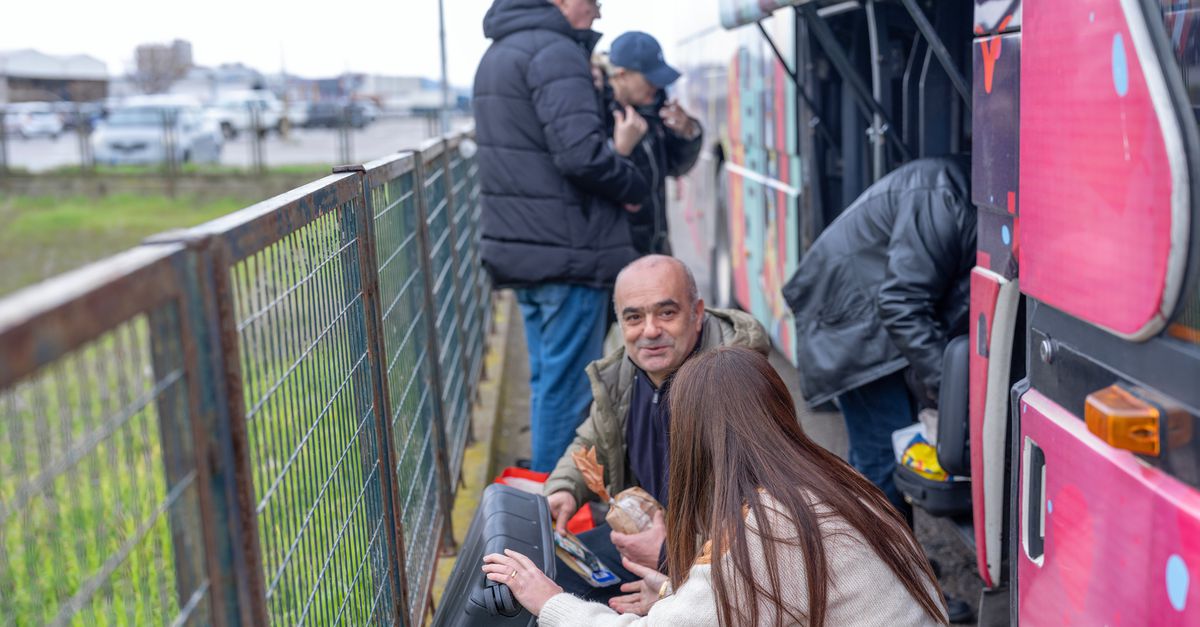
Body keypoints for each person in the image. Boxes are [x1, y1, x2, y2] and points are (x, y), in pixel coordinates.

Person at [483, 347, 949, 626]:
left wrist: (549, 601)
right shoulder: (830, 479)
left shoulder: (773, 525)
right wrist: (672, 595)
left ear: (694, 440)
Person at [474, 0, 650, 472]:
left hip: (528, 251)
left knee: (546, 384)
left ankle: (539, 503)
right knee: (569, 394)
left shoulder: (500, 52)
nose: (598, 13)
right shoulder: (554, 52)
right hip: (567, 252)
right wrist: (633, 182)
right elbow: (581, 155)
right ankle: (552, 515)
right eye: (593, 3)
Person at [543, 255, 768, 600]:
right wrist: (565, 488)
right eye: (634, 317)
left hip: (720, 568)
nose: (649, 331)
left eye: (666, 313)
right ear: (619, 322)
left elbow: (761, 529)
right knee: (538, 579)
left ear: (697, 313)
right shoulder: (624, 372)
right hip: (651, 538)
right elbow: (593, 440)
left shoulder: (737, 384)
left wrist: (668, 559)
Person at [781, 157, 974, 516]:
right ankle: (889, 566)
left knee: (873, 453)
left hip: (862, 317)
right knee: (881, 455)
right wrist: (952, 392)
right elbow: (902, 303)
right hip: (851, 326)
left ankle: (882, 557)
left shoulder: (955, 196)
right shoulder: (944, 198)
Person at [599, 32, 704, 255]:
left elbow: (676, 167)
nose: (656, 87)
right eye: (650, 79)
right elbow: (591, 177)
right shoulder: (596, 111)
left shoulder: (654, 110)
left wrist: (687, 133)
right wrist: (619, 151)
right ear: (622, 75)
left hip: (655, 249)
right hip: (617, 256)